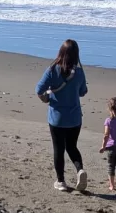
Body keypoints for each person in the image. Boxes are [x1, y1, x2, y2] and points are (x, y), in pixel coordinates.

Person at [36, 39, 89, 192]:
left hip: (57, 119)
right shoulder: (79, 72)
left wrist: (46, 97)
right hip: (74, 118)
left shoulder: (52, 70)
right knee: (72, 147)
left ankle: (61, 181)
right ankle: (80, 170)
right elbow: (82, 92)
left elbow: (39, 89)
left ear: (61, 52)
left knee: (59, 149)